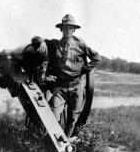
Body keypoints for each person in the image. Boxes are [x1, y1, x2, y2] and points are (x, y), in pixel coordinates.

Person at [32, 14, 101, 142]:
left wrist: (84, 69)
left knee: (72, 119)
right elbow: (38, 40)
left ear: (74, 30)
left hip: (76, 87)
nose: (67, 30)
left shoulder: (80, 44)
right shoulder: (55, 45)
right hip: (60, 88)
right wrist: (40, 42)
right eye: (65, 28)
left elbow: (97, 57)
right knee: (53, 115)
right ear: (61, 29)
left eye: (70, 28)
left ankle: (65, 142)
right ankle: (52, 142)